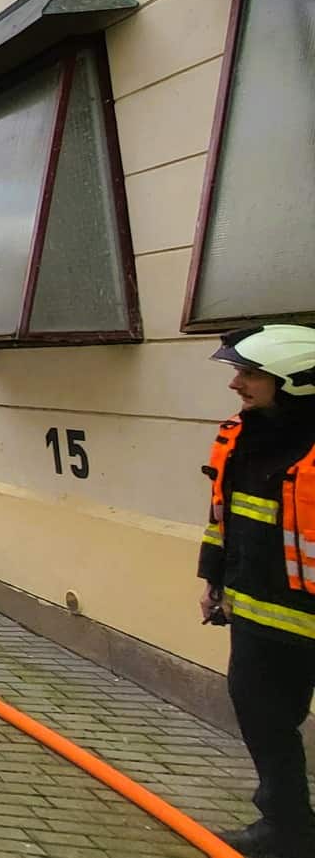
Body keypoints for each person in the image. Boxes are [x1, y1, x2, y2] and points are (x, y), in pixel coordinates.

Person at [199, 324, 315, 858]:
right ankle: (286, 826)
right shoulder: (241, 437)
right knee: (264, 719)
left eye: (249, 373)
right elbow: (222, 517)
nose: (236, 384)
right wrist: (214, 580)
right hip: (256, 613)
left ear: (295, 380)